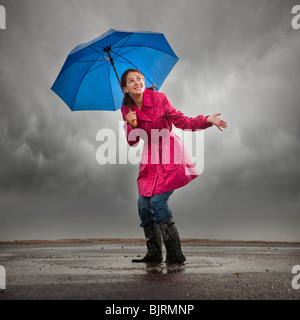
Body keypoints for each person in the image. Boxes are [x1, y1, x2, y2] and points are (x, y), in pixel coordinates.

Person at [120, 69, 227, 264]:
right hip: (149, 160)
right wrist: (132, 125)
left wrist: (207, 120)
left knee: (158, 202)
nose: (137, 82)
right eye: (131, 80)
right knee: (143, 205)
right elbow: (132, 142)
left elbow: (182, 121)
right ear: (125, 88)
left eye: (139, 78)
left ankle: (175, 254)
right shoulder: (127, 110)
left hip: (170, 154)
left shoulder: (160, 99)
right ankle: (153, 254)